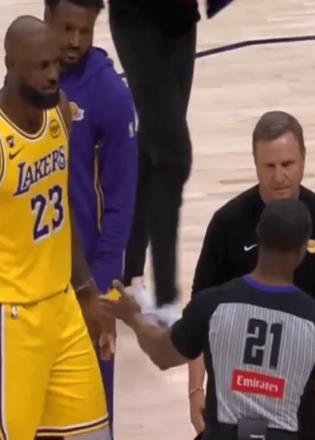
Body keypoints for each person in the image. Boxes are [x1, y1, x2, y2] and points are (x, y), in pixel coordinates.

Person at [102, 198, 315, 440]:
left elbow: (162, 354)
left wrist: (133, 316)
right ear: (303, 250)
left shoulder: (211, 305)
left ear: (259, 240)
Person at [188, 111, 315, 439]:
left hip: (311, 392)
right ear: (255, 164)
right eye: (269, 166)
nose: (279, 176)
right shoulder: (227, 224)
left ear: (303, 160)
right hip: (242, 394)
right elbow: (200, 309)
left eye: (287, 164)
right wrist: (196, 389)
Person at [0, 15, 114, 439]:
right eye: (41, 67)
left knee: (95, 433)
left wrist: (86, 290)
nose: (53, 75)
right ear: (11, 66)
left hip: (62, 307)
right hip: (14, 320)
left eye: (54, 64)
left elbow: (61, 211)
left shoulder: (60, 114)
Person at [45, 0, 138, 428]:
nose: (75, 41)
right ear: (47, 16)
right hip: (31, 282)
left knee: (92, 418)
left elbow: (120, 206)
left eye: (85, 30)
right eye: (66, 28)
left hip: (88, 283)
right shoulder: (25, 80)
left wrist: (100, 292)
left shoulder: (110, 96)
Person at [108, 0, 200, 324]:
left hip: (181, 20)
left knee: (155, 149)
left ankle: (128, 278)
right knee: (174, 156)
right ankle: (165, 298)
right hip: (136, 20)